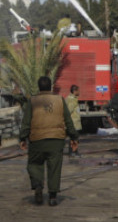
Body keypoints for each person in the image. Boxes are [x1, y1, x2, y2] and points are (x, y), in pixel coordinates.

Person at [20, 76, 78, 206]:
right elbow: (68, 121)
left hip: (37, 140)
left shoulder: (32, 101)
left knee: (35, 164)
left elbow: (26, 121)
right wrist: (74, 137)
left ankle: (38, 186)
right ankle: (52, 197)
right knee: (54, 168)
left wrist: (22, 137)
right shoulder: (60, 100)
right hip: (56, 140)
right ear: (50, 86)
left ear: (39, 87)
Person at [64, 84, 83, 156]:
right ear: (75, 91)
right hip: (74, 123)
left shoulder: (72, 98)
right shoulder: (71, 100)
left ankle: (74, 151)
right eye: (78, 90)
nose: (79, 92)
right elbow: (69, 111)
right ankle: (73, 152)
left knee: (74, 138)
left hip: (75, 122)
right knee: (74, 138)